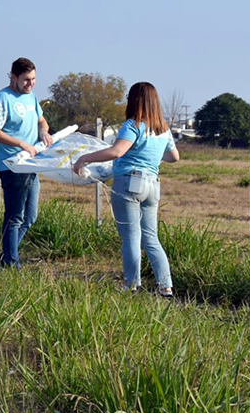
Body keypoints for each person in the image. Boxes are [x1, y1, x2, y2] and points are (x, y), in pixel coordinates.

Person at [73, 82, 180, 297]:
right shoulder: (163, 129)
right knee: (151, 237)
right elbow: (173, 157)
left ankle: (132, 285)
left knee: (131, 237)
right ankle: (165, 286)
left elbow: (116, 152)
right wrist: (151, 153)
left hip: (129, 183)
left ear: (134, 100)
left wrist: (84, 158)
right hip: (152, 185)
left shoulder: (133, 125)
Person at [0, 57, 53, 268]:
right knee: (14, 216)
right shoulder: (3, 98)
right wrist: (21, 144)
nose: (30, 84)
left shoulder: (31, 97)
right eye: (26, 80)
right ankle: (12, 264)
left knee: (29, 217)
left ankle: (5, 258)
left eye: (33, 79)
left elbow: (41, 120)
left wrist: (44, 132)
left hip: (32, 165)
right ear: (14, 77)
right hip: (12, 165)